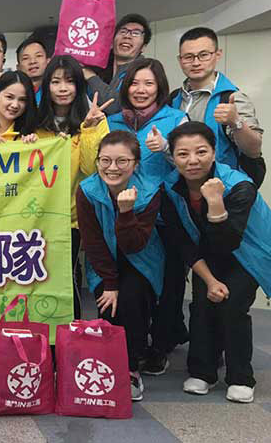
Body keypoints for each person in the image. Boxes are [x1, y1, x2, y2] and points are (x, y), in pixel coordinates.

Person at [161, 121, 271, 404]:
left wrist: (216, 203)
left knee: (233, 305)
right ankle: (202, 372)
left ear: (214, 152)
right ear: (173, 157)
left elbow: (229, 242)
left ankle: (241, 377)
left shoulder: (239, 185)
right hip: (206, 252)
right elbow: (182, 242)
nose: (192, 160)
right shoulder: (170, 187)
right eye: (183, 154)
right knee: (201, 304)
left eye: (201, 151)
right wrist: (209, 280)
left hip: (249, 254)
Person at [105, 57, 189, 374]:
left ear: (159, 87)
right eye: (135, 83)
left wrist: (166, 148)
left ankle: (160, 346)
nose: (141, 90)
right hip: (123, 212)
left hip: (166, 214)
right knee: (134, 283)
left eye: (148, 83)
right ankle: (131, 345)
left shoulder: (175, 119)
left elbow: (192, 164)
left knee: (169, 282)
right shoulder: (111, 121)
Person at [77, 131, 164, 401]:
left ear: (135, 164)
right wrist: (110, 283)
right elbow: (92, 241)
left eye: (122, 161)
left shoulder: (149, 191)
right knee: (108, 303)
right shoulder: (87, 190)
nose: (112, 168)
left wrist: (126, 212)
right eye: (105, 160)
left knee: (132, 299)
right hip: (104, 261)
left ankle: (131, 368)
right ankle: (110, 362)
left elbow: (135, 245)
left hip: (141, 260)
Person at [35, 55, 112, 317]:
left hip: (72, 218)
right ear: (46, 86)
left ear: (79, 86)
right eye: (55, 82)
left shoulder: (95, 119)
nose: (63, 88)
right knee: (37, 278)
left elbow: (92, 170)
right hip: (36, 216)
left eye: (69, 81)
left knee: (67, 280)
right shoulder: (35, 123)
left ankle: (70, 333)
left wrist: (88, 129)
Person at [170, 27, 264, 186]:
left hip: (224, 188)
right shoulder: (173, 99)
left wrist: (236, 122)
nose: (196, 62)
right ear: (180, 60)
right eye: (188, 57)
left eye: (204, 55)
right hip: (184, 190)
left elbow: (253, 150)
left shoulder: (232, 98)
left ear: (217, 55)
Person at [83, 14, 152, 115]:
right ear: (112, 40)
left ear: (143, 47)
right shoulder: (98, 68)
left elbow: (114, 106)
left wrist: (90, 76)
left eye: (136, 33)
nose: (127, 36)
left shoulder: (144, 71)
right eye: (123, 31)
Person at [16, 36, 50, 104]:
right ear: (18, 67)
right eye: (25, 58)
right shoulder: (14, 93)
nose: (32, 61)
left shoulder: (56, 91)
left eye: (38, 56)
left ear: (48, 61)